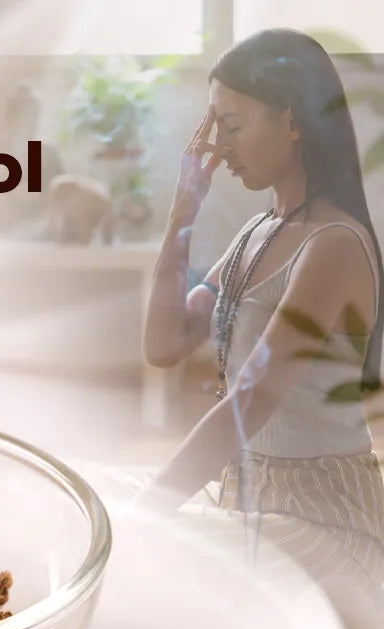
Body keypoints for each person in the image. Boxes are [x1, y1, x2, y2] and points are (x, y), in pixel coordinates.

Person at [139, 28, 384, 591]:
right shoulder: (257, 233)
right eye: (213, 127)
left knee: (159, 556)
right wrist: (182, 214)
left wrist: (149, 515)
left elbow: (252, 398)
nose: (218, 147)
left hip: (323, 521)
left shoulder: (333, 245)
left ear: (293, 122)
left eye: (233, 125)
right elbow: (164, 346)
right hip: (249, 496)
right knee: (99, 498)